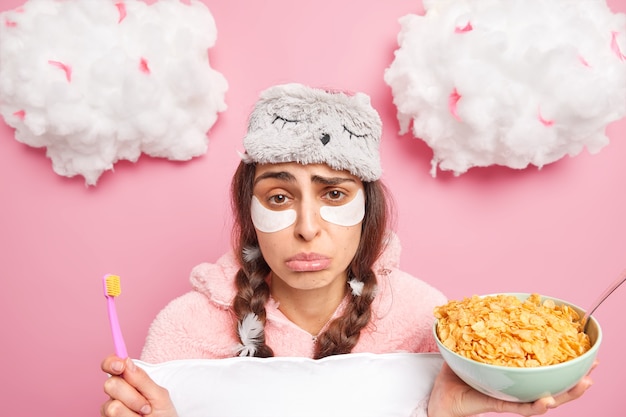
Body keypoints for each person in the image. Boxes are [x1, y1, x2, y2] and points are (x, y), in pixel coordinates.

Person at [101, 83, 594, 417]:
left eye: (334, 194)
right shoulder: (184, 329)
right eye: (278, 197)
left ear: (368, 209)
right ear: (248, 212)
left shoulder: (427, 319)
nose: (307, 227)